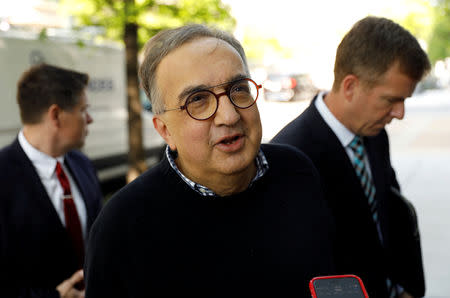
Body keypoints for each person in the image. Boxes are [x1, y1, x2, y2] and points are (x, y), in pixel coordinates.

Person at [84, 24, 335, 298]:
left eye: (238, 89)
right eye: (198, 99)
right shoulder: (123, 226)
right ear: (165, 130)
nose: (229, 115)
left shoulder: (297, 172)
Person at [272, 16, 430, 298]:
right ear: (350, 86)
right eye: (391, 100)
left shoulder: (374, 133)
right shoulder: (290, 155)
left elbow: (387, 213)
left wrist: (402, 286)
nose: (400, 113)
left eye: (404, 100)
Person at [0, 64, 103, 298]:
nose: (89, 119)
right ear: (55, 115)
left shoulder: (82, 164)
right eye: (83, 110)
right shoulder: (3, 177)